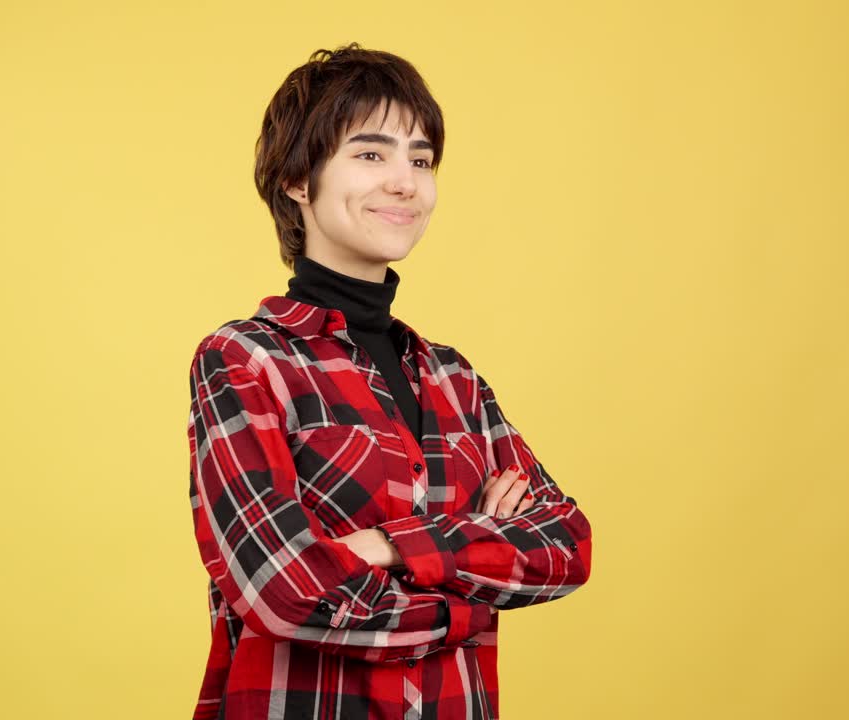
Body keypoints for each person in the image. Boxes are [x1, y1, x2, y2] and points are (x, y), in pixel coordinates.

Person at [185, 43, 593, 719]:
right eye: (371, 154)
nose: (406, 182)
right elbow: (286, 592)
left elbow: (566, 544)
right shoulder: (247, 361)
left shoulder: (455, 379)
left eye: (421, 160)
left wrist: (387, 547)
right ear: (297, 179)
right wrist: (470, 580)